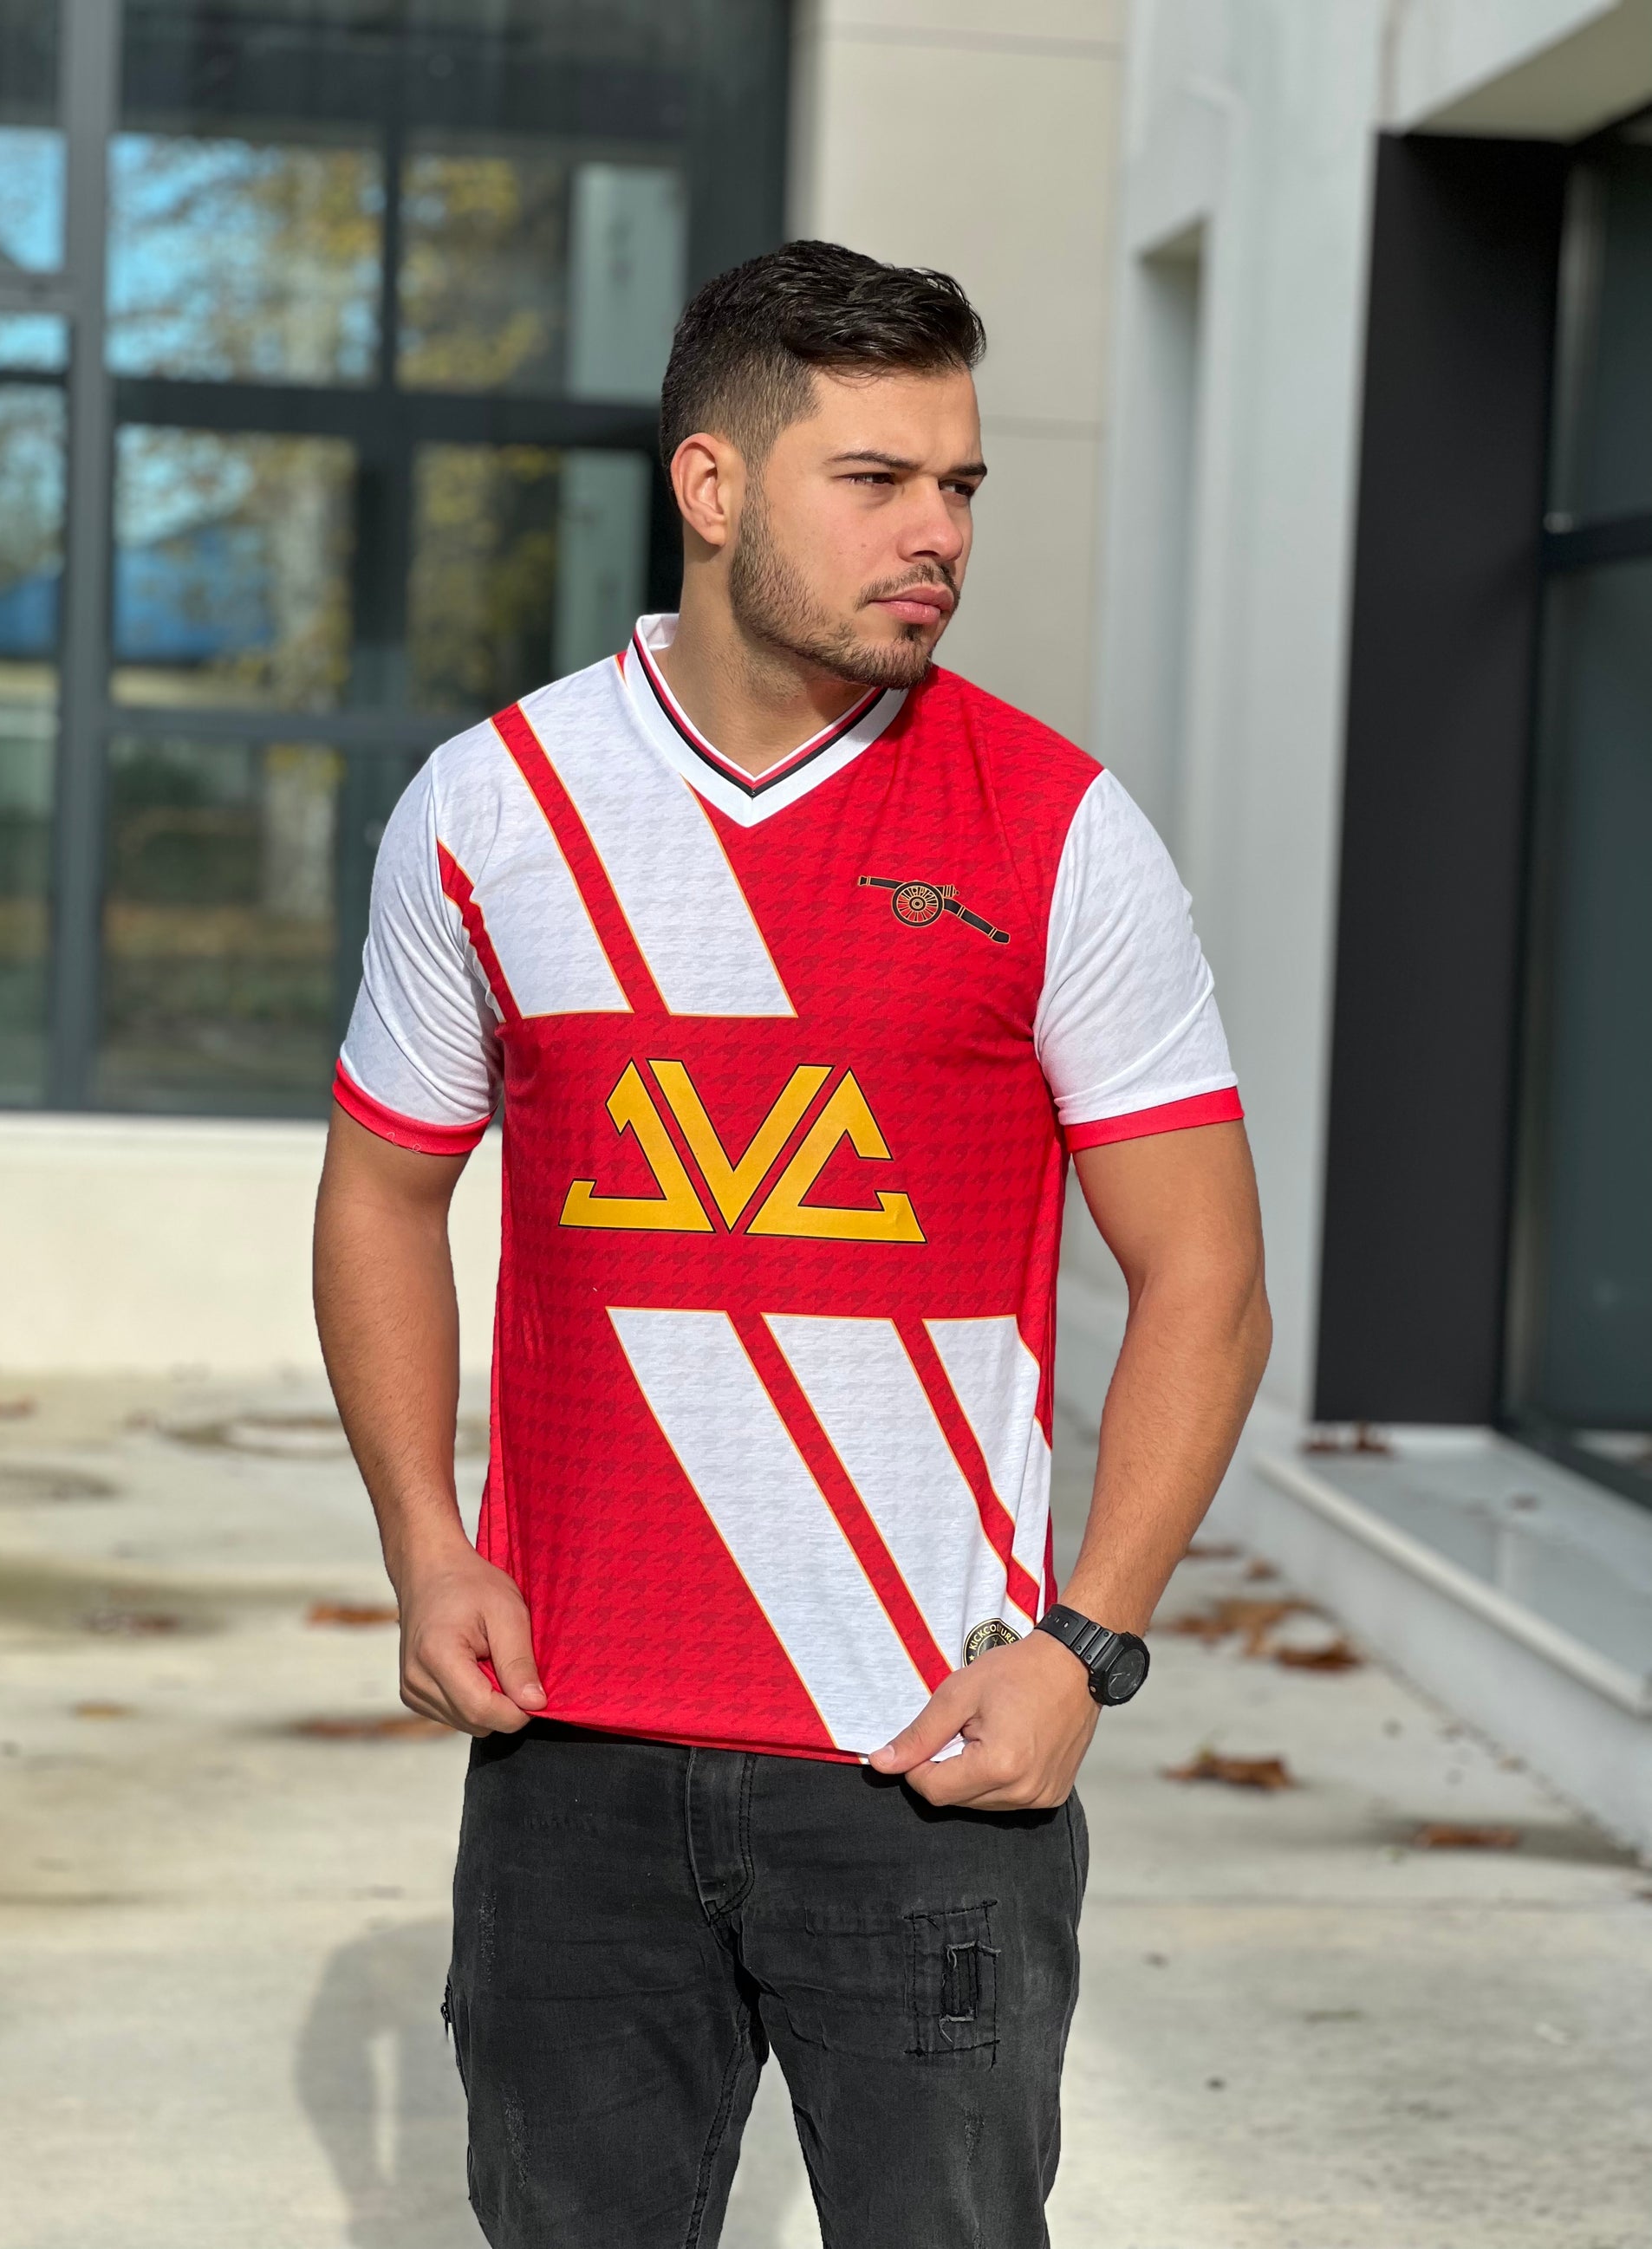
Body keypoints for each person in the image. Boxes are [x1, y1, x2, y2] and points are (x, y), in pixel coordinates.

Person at [313, 239, 1271, 2249]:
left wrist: (1085, 1647)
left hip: (930, 1752)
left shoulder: (1059, 828)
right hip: (572, 1743)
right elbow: (385, 1188)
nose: (939, 535)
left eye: (962, 486)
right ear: (713, 483)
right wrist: (423, 1539)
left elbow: (1207, 1279)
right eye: (878, 480)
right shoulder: (495, 804)